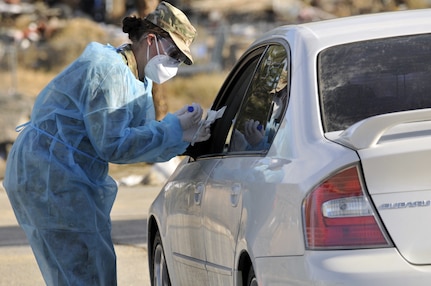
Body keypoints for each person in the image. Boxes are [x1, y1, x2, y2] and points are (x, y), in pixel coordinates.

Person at [3, 2, 210, 285]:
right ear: (151, 39)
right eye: (174, 54)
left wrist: (182, 139)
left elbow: (139, 138)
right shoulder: (108, 71)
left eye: (180, 60)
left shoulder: (138, 78)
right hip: (50, 174)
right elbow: (113, 145)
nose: (174, 65)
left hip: (68, 174)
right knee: (82, 270)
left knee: (94, 266)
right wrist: (173, 129)